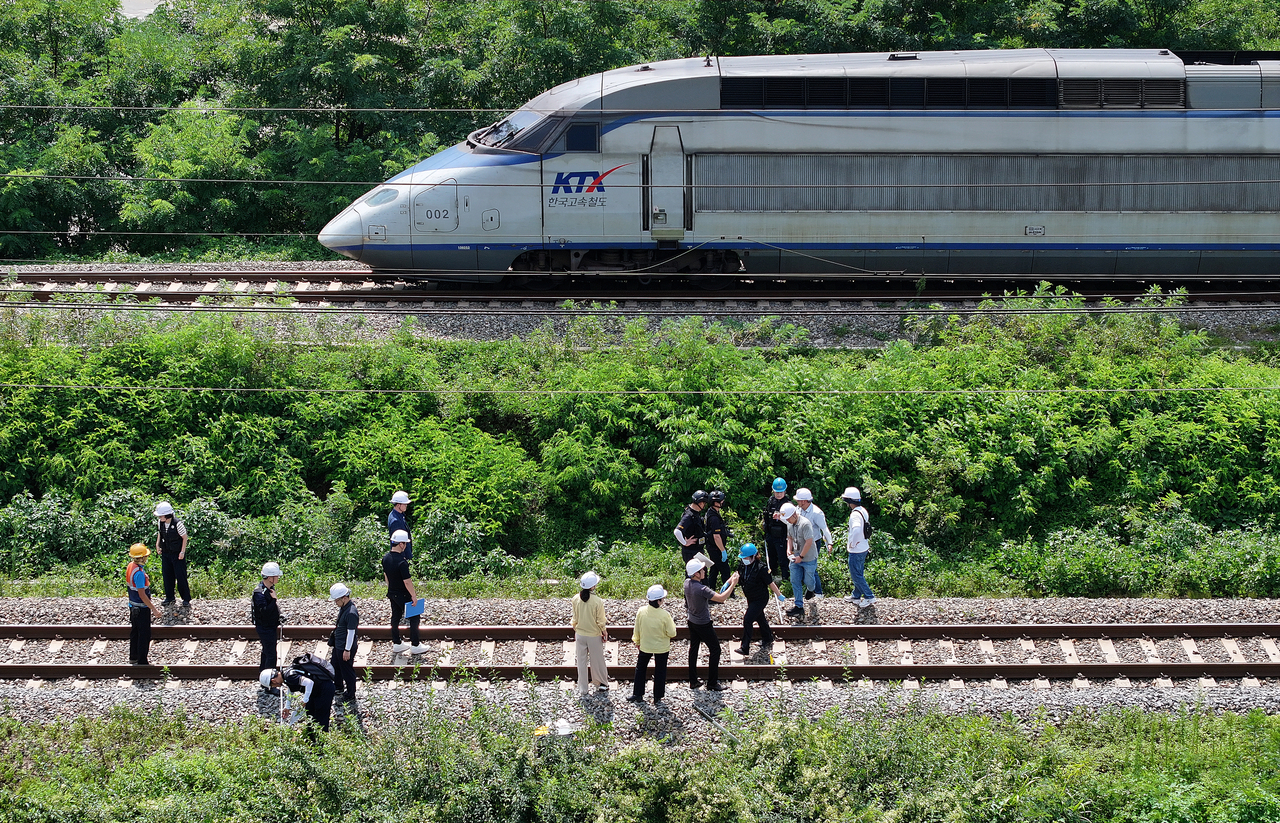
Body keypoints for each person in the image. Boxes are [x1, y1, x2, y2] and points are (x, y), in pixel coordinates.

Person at [684, 556, 737, 691]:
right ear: (696, 573)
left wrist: (727, 581)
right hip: (703, 623)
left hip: (692, 620)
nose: (705, 571)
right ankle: (712, 683)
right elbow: (722, 598)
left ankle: (693, 680)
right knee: (715, 649)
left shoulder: (687, 583)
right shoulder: (702, 589)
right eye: (702, 570)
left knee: (694, 649)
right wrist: (733, 584)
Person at [626, 583, 677, 705]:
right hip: (662, 648)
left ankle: (638, 694)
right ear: (659, 601)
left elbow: (636, 629)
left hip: (645, 646)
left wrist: (637, 641)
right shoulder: (665, 615)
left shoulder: (641, 611)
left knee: (640, 669)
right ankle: (657, 697)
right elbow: (672, 633)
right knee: (660, 671)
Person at [734, 543, 785, 657]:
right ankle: (768, 637)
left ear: (753, 556)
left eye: (746, 558)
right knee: (759, 617)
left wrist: (779, 594)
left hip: (760, 599)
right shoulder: (743, 566)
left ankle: (745, 647)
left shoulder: (761, 568)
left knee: (748, 619)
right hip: (750, 597)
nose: (744, 560)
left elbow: (770, 583)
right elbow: (736, 575)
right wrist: (728, 584)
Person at [261, 655, 336, 732]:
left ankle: (322, 741)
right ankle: (311, 739)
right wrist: (287, 707)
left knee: (321, 717)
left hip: (325, 689)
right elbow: (291, 689)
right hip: (315, 691)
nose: (275, 686)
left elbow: (309, 683)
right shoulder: (285, 675)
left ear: (273, 680)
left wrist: (305, 700)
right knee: (310, 714)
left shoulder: (289, 676)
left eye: (272, 685)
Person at [383, 530, 427, 656]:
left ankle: (397, 643)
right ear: (401, 544)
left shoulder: (385, 558)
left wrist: (391, 588)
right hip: (403, 594)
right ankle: (415, 645)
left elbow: (386, 576)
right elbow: (407, 582)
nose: (406, 546)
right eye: (405, 544)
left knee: (395, 617)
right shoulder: (402, 562)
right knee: (414, 617)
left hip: (392, 593)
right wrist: (413, 596)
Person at [570, 571, 610, 697]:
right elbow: (600, 621)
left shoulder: (575, 599)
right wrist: (604, 632)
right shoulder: (597, 601)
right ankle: (601, 684)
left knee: (581, 662)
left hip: (580, 634)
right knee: (597, 660)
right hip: (594, 635)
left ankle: (583, 688)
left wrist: (577, 628)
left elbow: (574, 619)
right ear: (592, 587)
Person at [125, 543, 162, 666]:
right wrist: (154, 609)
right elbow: (142, 594)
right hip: (141, 608)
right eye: (145, 556)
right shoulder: (139, 573)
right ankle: (142, 661)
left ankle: (133, 657)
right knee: (144, 635)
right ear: (141, 558)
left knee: (135, 633)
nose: (146, 558)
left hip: (133, 606)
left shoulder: (131, 566)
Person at [780, 502, 819, 619]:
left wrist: (800, 557)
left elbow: (809, 541)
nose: (787, 520)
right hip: (795, 557)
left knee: (809, 580)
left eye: (788, 518)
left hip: (808, 558)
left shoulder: (805, 524)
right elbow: (790, 538)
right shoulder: (789, 524)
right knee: (795, 580)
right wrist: (788, 550)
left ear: (794, 515)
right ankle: (798, 606)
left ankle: (811, 590)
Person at [794, 488, 832, 601]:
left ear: (804, 501)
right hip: (800, 542)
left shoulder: (816, 512)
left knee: (811, 567)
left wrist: (830, 543)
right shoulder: (798, 509)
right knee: (800, 565)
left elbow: (824, 529)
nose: (797, 502)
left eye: (799, 500)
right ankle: (810, 590)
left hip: (814, 543)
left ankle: (818, 592)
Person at [841, 487, 876, 608]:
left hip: (857, 549)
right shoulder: (862, 510)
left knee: (856, 575)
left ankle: (869, 596)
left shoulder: (854, 514)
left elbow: (856, 530)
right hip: (863, 547)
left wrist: (852, 543)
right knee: (859, 572)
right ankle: (856, 595)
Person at [153, 501, 191, 611]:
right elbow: (160, 533)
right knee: (167, 576)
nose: (160, 517)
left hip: (177, 554)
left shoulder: (177, 524)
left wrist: (182, 551)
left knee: (181, 576)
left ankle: (186, 598)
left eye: (161, 515)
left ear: (167, 515)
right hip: (166, 553)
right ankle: (170, 597)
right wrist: (158, 545)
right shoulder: (160, 523)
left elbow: (184, 537)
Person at [252, 562, 284, 677]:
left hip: (270, 626)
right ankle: (269, 681)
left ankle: (263, 677)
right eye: (276, 576)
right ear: (270, 578)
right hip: (265, 628)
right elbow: (265, 612)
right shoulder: (259, 594)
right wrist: (274, 600)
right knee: (270, 655)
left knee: (266, 652)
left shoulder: (269, 589)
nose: (278, 578)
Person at [329, 582, 359, 705]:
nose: (336, 603)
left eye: (337, 600)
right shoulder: (344, 608)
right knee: (335, 666)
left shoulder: (351, 613)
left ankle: (350, 694)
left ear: (344, 598)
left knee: (347, 670)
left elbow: (351, 633)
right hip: (339, 645)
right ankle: (338, 686)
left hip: (345, 647)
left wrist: (347, 650)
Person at [704, 490, 733, 594]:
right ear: (716, 502)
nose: (723, 502)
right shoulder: (714, 518)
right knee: (725, 570)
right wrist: (723, 550)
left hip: (713, 547)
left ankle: (711, 589)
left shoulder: (712, 512)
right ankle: (729, 593)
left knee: (714, 570)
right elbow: (716, 536)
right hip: (716, 548)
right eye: (721, 500)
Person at [762, 478, 790, 579]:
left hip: (782, 535)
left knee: (783, 559)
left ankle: (785, 579)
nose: (778, 494)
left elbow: (791, 520)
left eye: (781, 492)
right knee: (771, 557)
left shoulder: (787, 503)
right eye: (776, 492)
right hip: (770, 534)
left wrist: (780, 517)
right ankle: (771, 578)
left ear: (785, 491)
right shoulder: (771, 501)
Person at [674, 490, 709, 565]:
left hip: (698, 550)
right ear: (700, 503)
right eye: (704, 504)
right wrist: (685, 543)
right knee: (694, 575)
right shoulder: (688, 516)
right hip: (691, 552)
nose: (704, 506)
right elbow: (677, 531)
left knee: (702, 573)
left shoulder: (695, 513)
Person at [387, 490, 413, 561]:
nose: (406, 506)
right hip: (401, 555)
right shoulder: (395, 520)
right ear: (398, 505)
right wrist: (404, 557)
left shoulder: (397, 515)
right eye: (404, 504)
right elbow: (398, 541)